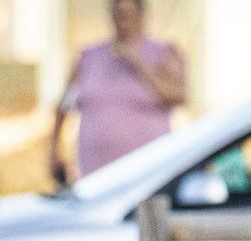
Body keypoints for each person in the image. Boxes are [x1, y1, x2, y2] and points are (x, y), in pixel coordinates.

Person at [48, 0, 186, 185]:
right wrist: (54, 151)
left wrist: (138, 62)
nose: (123, 22)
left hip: (149, 174)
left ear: (141, 16)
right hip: (96, 174)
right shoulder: (89, 57)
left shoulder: (164, 53)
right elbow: (63, 105)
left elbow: (178, 95)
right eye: (119, 15)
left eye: (129, 15)